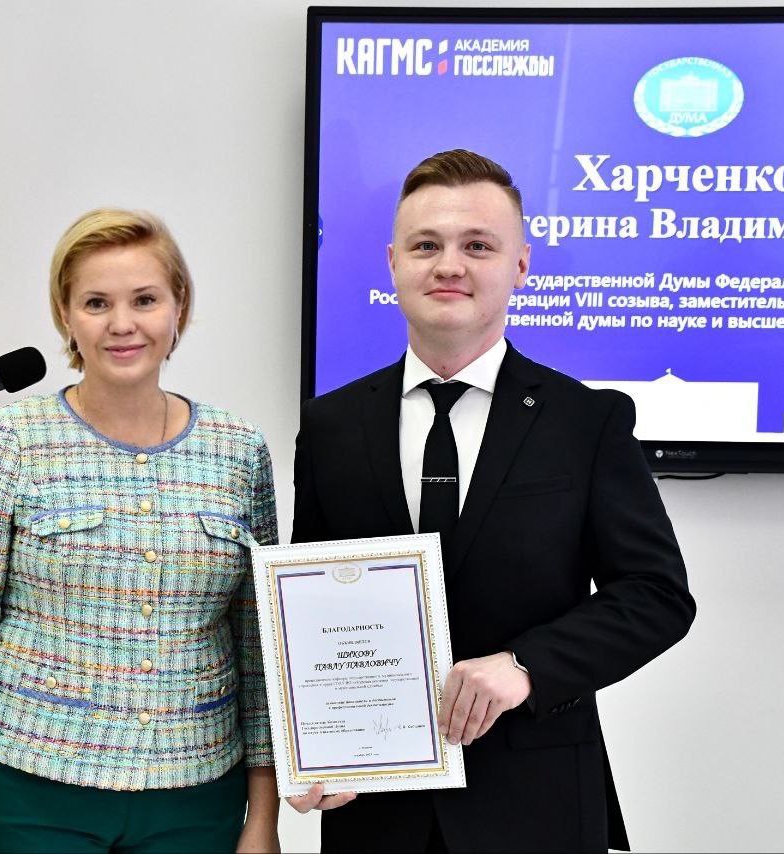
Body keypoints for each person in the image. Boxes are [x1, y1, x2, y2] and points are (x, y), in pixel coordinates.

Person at [287, 150, 696, 853]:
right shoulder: (331, 426)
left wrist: (525, 665)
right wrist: (312, 747)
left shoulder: (585, 422)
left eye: (477, 246)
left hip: (536, 805)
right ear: (392, 264)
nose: (449, 265)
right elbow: (312, 604)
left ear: (520, 266)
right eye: (426, 246)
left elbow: (656, 595)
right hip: (375, 812)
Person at [0, 209, 279, 853]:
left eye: (145, 300)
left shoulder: (239, 450)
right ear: (66, 316)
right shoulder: (8, 440)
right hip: (31, 798)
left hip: (197, 803)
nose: (122, 323)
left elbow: (259, 654)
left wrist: (264, 821)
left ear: (179, 307)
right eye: (96, 303)